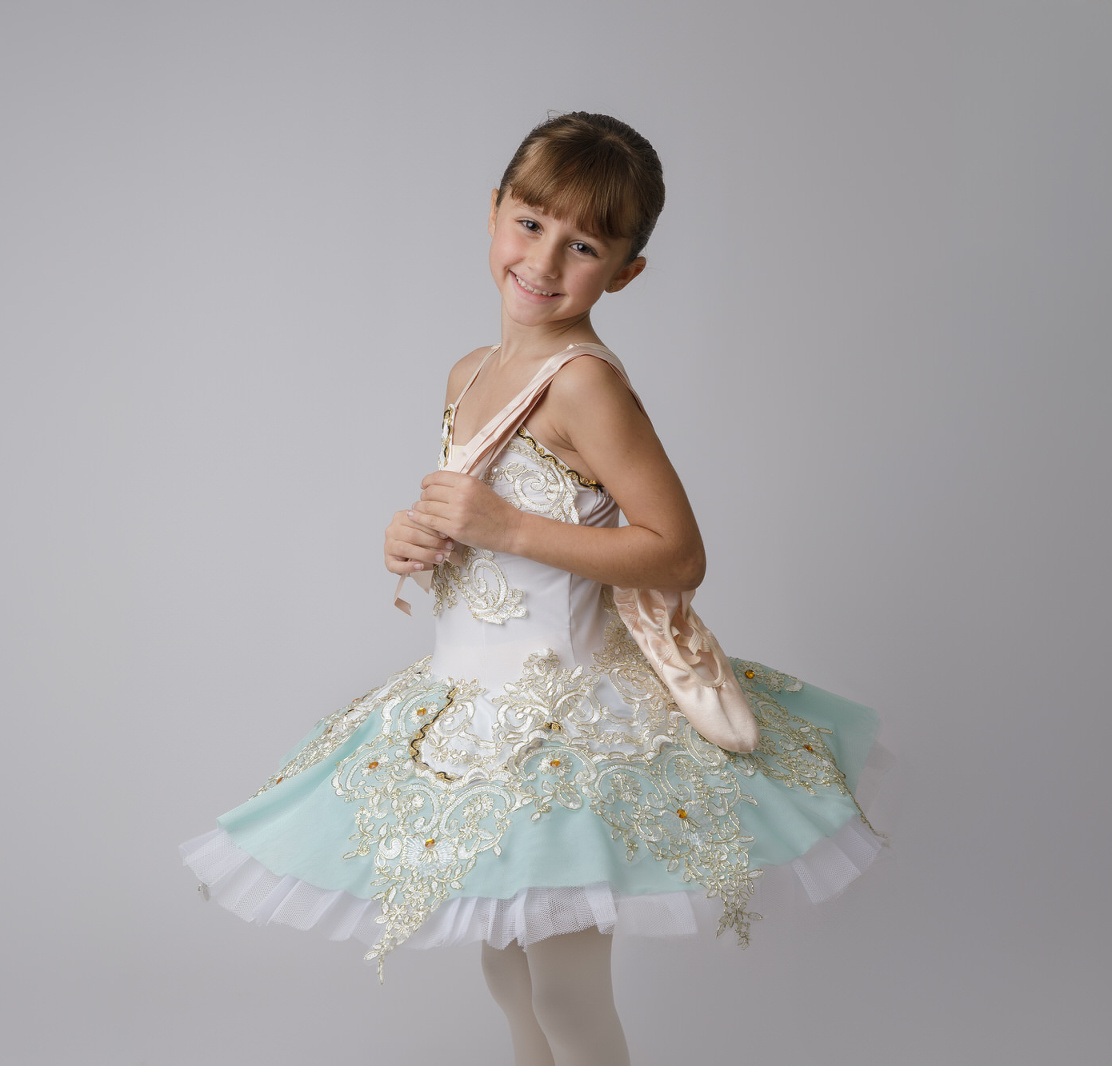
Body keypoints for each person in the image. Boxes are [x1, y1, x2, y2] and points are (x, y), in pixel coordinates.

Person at [180, 111, 891, 1066]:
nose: (545, 260)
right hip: (471, 709)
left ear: (626, 271)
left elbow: (676, 554)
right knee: (508, 975)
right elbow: (476, 519)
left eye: (584, 244)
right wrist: (416, 536)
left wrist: (509, 528)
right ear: (493, 213)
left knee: (564, 988)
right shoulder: (469, 372)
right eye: (529, 223)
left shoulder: (584, 383)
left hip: (566, 717)